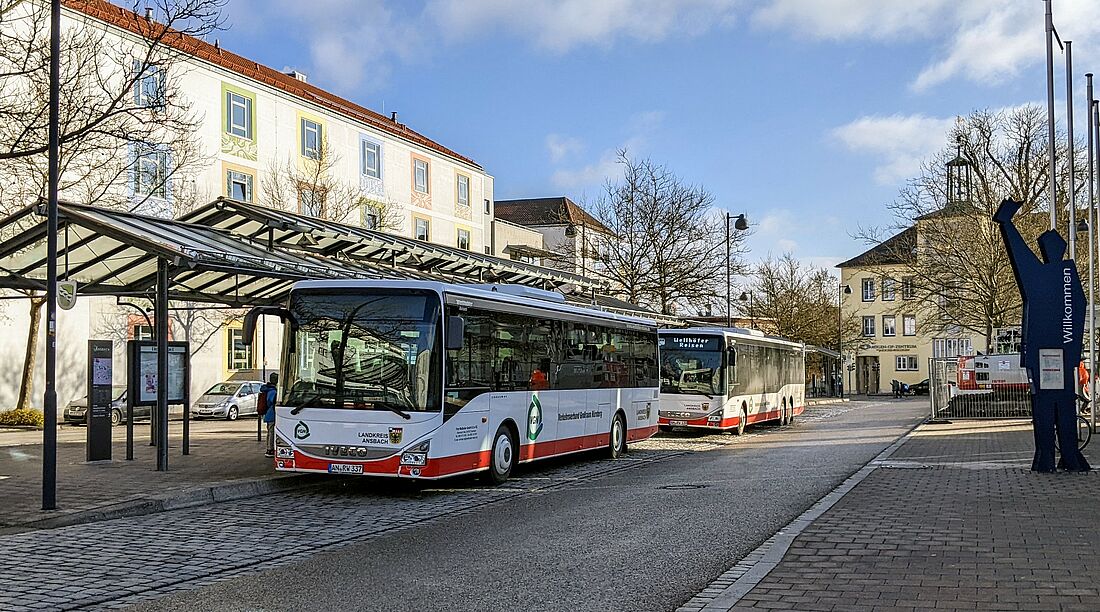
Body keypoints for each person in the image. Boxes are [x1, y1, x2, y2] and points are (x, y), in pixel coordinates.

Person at [260, 372, 278, 458]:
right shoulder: (273, 391)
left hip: (268, 413)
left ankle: (269, 448)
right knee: (271, 432)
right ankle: (270, 449)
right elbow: (271, 401)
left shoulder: (267, 389)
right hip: (272, 413)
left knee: (270, 432)